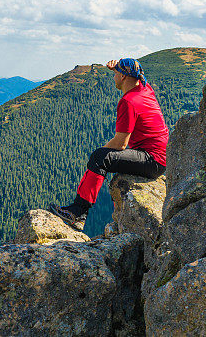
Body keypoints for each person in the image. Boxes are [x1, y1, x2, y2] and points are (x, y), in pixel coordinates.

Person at [50, 57, 169, 231]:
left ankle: (78, 212)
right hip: (160, 158)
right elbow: (134, 74)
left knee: (100, 158)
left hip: (151, 160)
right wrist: (117, 68)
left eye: (116, 74)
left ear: (122, 77)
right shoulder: (145, 89)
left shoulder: (128, 102)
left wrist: (99, 153)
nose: (113, 77)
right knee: (104, 157)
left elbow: (121, 144)